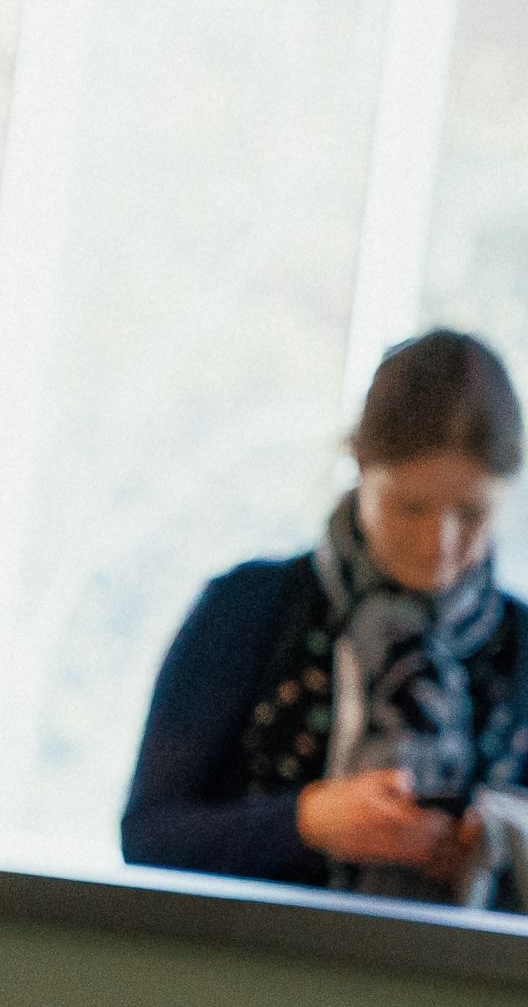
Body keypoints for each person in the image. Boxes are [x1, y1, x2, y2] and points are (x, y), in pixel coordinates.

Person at [124, 329, 527, 911]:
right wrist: (306, 823)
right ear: (360, 467)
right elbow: (148, 837)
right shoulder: (248, 608)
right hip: (253, 986)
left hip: (460, 997)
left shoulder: (520, 648)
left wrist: (493, 852)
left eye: (471, 513)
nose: (438, 541)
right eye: (409, 506)